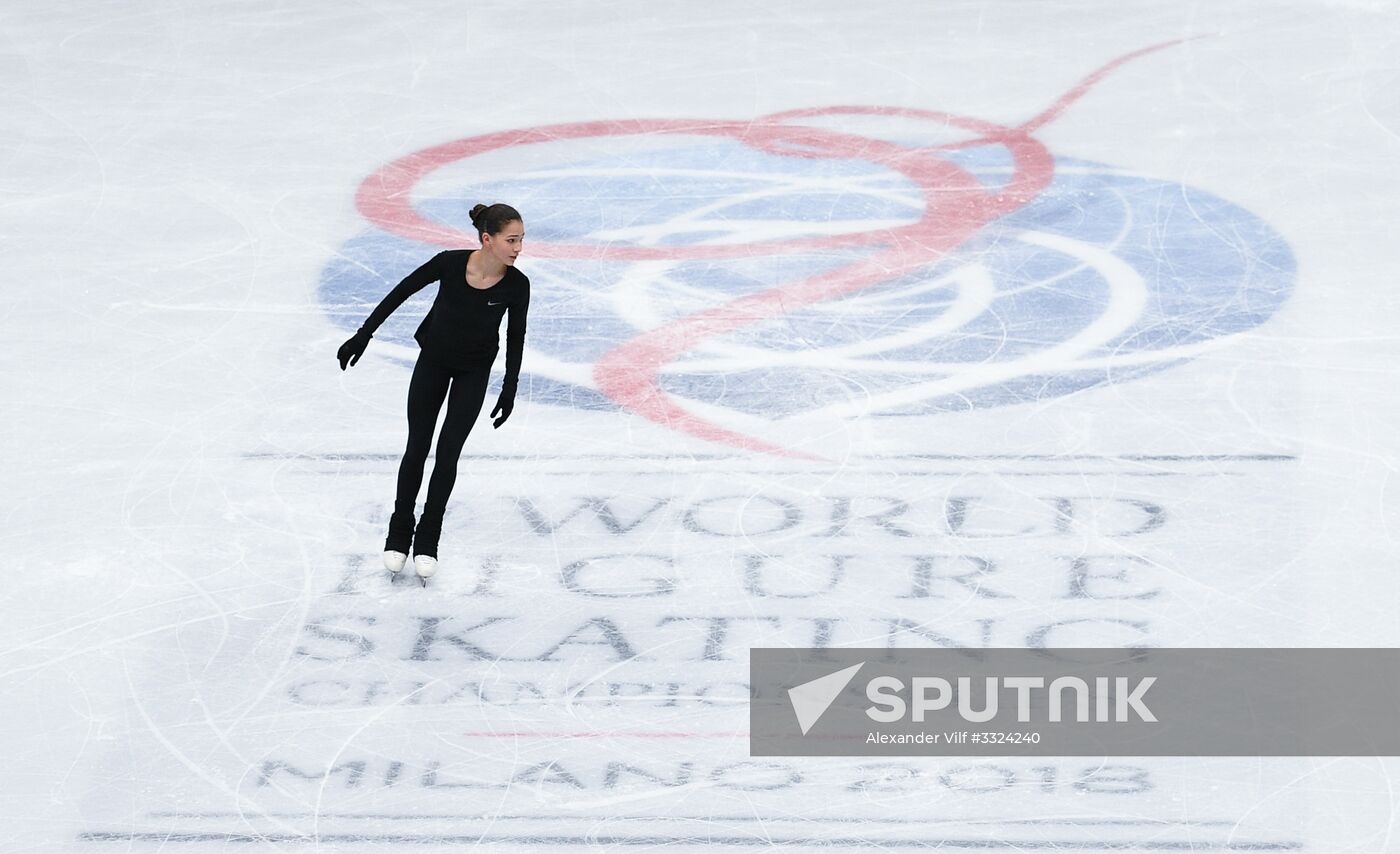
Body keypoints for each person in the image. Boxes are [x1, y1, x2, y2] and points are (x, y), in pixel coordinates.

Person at [337, 203, 529, 584]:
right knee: (417, 446)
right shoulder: (448, 264)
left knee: (448, 454)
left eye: (521, 239)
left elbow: (515, 337)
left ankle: (428, 537)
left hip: (473, 374)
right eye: (511, 240)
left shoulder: (517, 285)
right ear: (487, 240)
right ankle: (399, 529)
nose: (519, 248)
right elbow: (400, 293)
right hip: (434, 364)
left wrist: (509, 388)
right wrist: (364, 333)